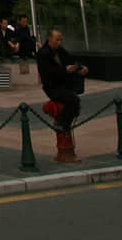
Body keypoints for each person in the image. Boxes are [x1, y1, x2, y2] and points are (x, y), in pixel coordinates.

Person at [36, 26, 89, 163]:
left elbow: (71, 59)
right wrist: (65, 70)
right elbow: (48, 74)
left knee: (74, 101)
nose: (59, 42)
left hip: (64, 84)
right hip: (52, 87)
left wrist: (80, 67)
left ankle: (65, 124)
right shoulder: (43, 54)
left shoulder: (60, 51)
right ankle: (62, 123)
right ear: (50, 39)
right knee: (72, 100)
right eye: (57, 39)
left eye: (61, 39)